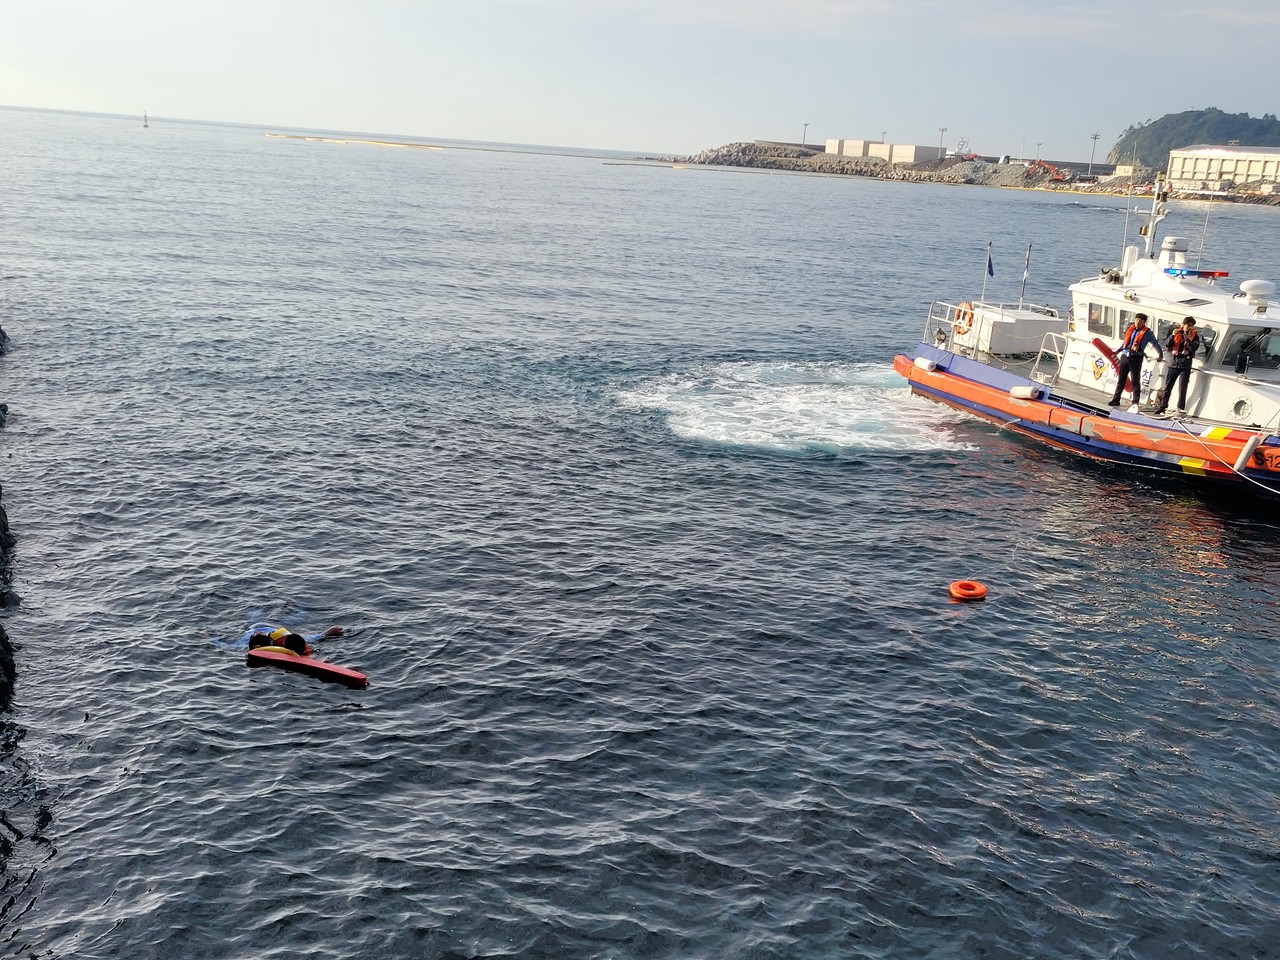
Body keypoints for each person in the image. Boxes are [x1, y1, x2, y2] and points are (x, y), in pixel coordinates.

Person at [1108, 313, 1164, 407]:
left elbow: (1155, 344)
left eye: (1140, 320)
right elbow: (1125, 342)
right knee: (1121, 380)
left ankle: (1135, 402)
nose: (1138, 322)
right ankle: (1116, 399)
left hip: (1136, 358)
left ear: (1144, 322)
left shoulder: (1148, 333)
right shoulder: (1131, 329)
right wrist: (1118, 351)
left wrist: (1160, 355)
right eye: (1137, 319)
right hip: (1125, 357)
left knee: (1135, 381)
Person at [1154, 316, 1201, 415]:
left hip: (1185, 365)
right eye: (1187, 325)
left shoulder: (1195, 336)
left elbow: (1193, 348)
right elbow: (1167, 344)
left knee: (1182, 388)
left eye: (1191, 325)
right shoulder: (1176, 332)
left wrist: (1188, 340)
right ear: (1183, 324)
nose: (1188, 327)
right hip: (1173, 363)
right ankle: (1163, 406)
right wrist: (1172, 335)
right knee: (1168, 387)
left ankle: (1180, 408)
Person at [245, 623, 345, 656]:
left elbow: (313, 638)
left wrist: (328, 633)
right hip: (253, 630)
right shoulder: (243, 644)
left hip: (262, 625)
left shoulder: (282, 640)